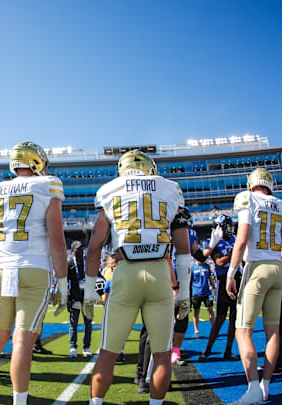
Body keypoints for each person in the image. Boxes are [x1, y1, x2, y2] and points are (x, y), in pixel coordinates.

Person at [85, 149, 191, 405]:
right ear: (150, 168)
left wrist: (90, 288)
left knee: (107, 353)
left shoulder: (109, 189)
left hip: (126, 273)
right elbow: (184, 250)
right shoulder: (171, 189)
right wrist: (185, 291)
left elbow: (94, 246)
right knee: (163, 355)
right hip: (159, 273)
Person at [0, 141, 68, 405]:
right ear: (36, 162)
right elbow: (57, 242)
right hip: (34, 269)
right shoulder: (47, 185)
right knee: (23, 342)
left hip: (2, 269)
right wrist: (63, 282)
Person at [225, 168, 282, 405]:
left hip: (256, 268)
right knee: (273, 331)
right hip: (276, 269)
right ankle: (266, 385)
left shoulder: (249, 198)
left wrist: (231, 272)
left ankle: (253, 387)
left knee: (243, 331)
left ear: (251, 183)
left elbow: (242, 239)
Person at [200, 215, 240, 361]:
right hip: (223, 281)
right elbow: (219, 262)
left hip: (237, 278)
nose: (229, 229)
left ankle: (228, 351)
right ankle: (208, 349)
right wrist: (234, 253)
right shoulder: (215, 242)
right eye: (226, 226)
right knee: (220, 319)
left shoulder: (235, 239)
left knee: (234, 319)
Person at [68, 240, 94, 358]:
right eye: (78, 249)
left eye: (82, 248)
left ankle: (86, 347)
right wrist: (69, 299)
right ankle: (73, 347)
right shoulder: (69, 263)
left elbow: (96, 276)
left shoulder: (88, 262)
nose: (81, 250)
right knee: (74, 324)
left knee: (88, 324)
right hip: (75, 298)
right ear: (73, 250)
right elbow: (65, 281)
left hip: (87, 297)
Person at [191, 256, 215, 339]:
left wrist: (213, 287)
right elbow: (190, 280)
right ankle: (196, 331)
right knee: (196, 312)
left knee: (210, 310)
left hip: (206, 292)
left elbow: (210, 277)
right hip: (196, 293)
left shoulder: (206, 266)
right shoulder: (192, 267)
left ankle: (214, 329)